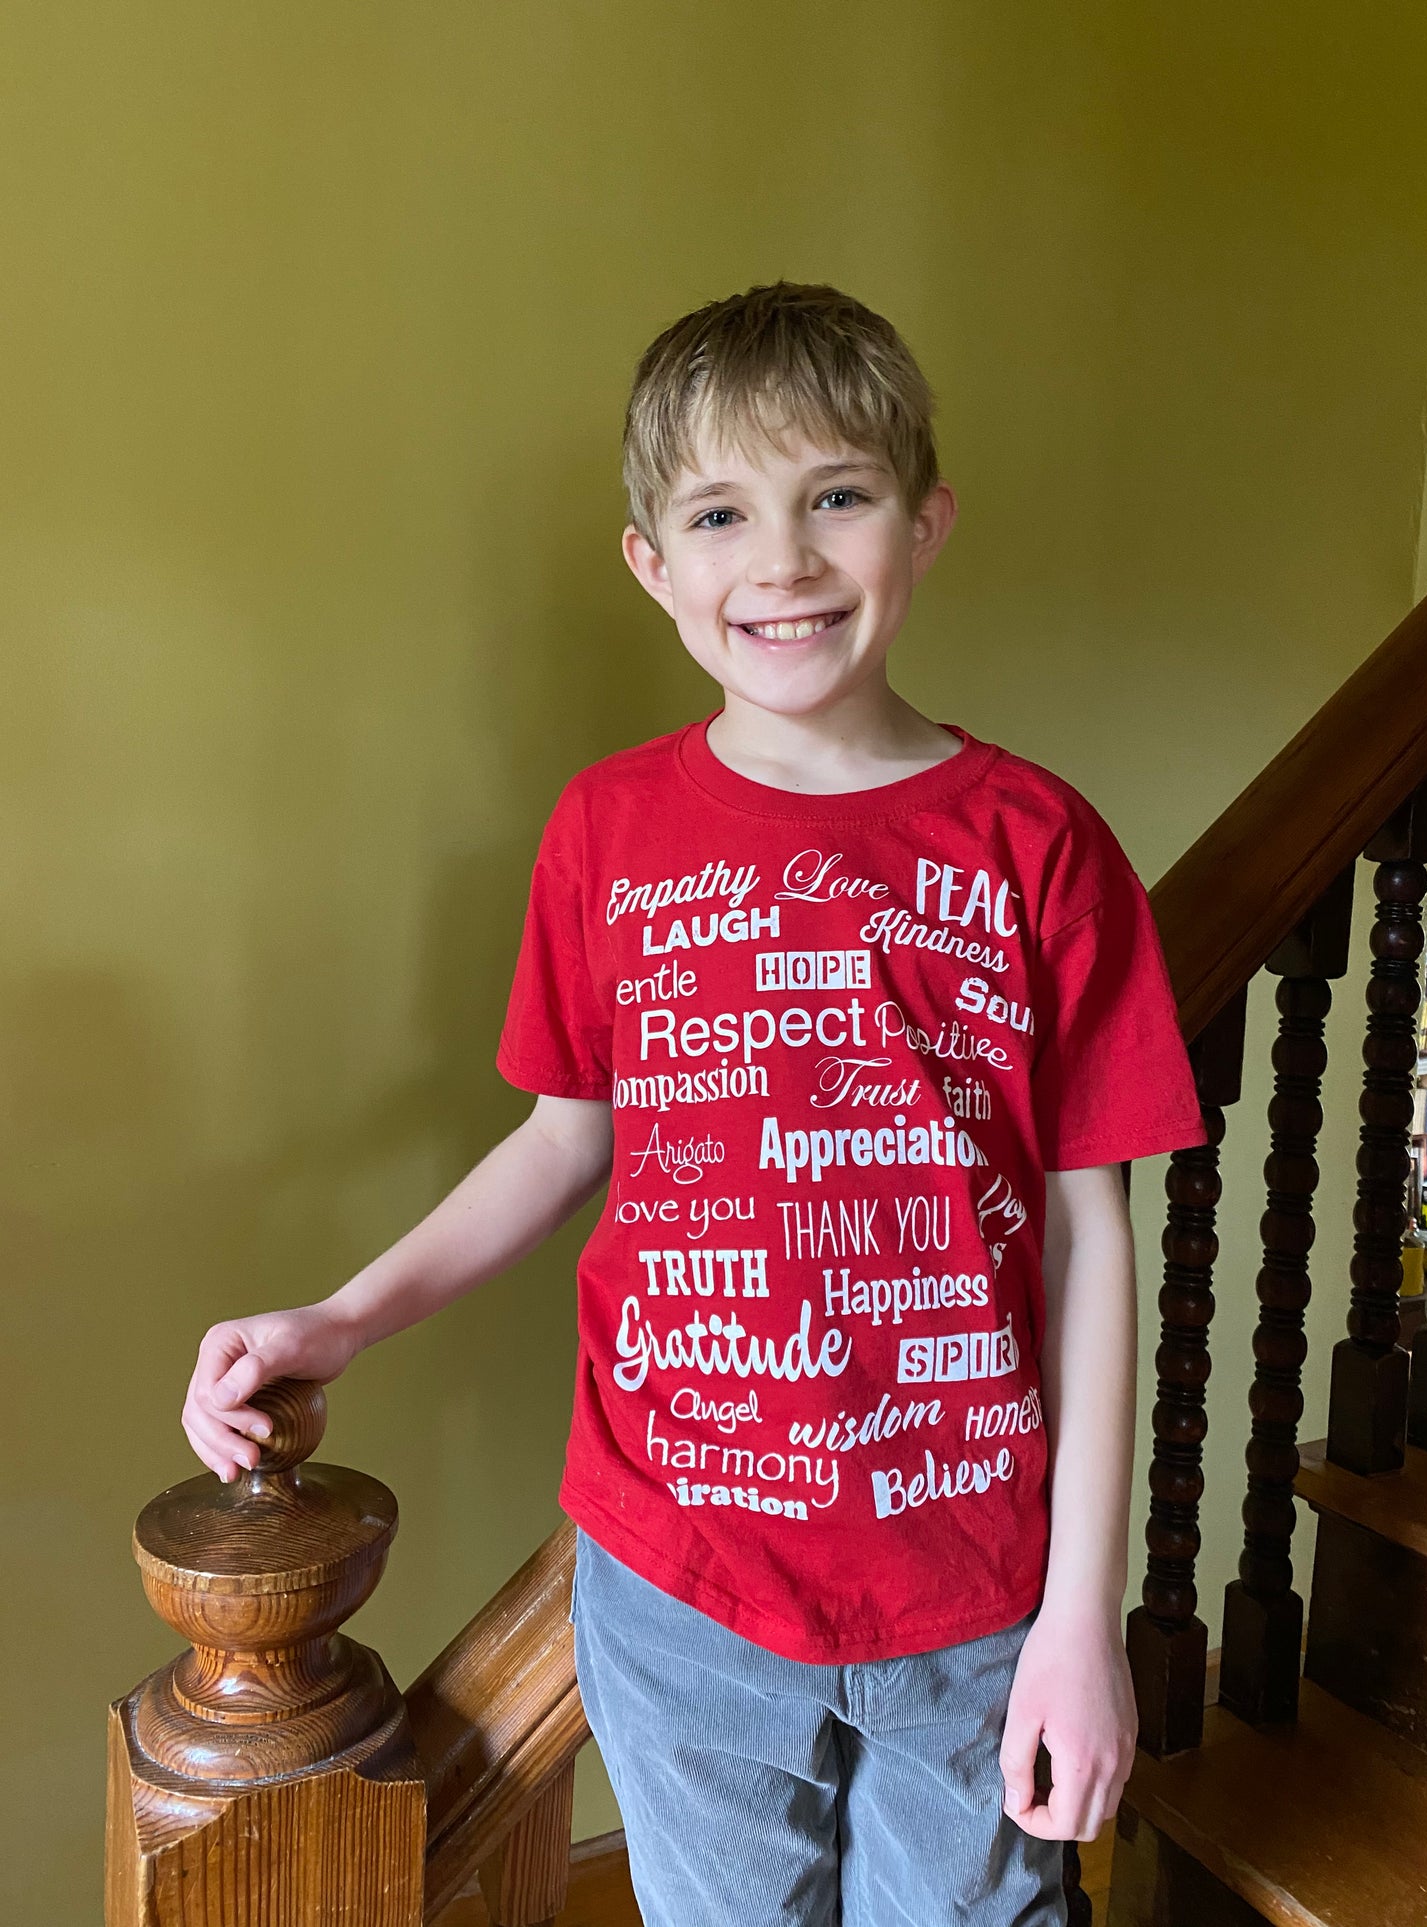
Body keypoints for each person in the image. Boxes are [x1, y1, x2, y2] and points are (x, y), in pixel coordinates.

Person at [182, 280, 1208, 1925]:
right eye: (723, 512)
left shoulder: (1038, 844)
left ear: (923, 525)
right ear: (655, 565)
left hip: (968, 1595)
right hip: (680, 1588)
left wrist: (1083, 1617)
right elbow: (562, 1142)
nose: (784, 560)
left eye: (838, 499)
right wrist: (344, 1316)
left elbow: (1093, 1240)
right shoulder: (607, 831)